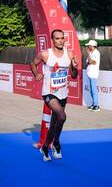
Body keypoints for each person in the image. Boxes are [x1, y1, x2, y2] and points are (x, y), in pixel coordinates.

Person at [30, 29, 78, 161]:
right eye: (57, 38)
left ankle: (45, 147)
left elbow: (74, 76)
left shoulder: (69, 53)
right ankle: (56, 143)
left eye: (62, 38)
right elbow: (33, 64)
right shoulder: (45, 54)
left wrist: (74, 67)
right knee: (62, 116)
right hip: (49, 92)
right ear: (53, 40)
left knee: (54, 123)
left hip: (63, 92)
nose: (61, 40)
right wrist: (36, 74)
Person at [85, 39, 100, 111]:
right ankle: (93, 104)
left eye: (89, 45)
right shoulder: (91, 53)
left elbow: (92, 62)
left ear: (92, 46)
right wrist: (89, 58)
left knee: (94, 90)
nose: (88, 46)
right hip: (89, 73)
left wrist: (88, 55)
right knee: (90, 90)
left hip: (93, 74)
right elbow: (87, 62)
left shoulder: (97, 53)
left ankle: (96, 106)